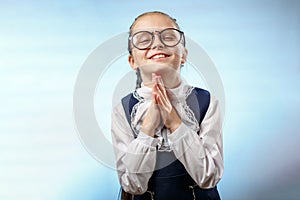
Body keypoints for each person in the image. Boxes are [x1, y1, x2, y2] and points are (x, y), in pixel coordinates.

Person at [111, 11, 223, 200]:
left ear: (184, 55)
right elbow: (132, 185)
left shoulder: (207, 102)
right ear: (132, 61)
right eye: (144, 39)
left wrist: (175, 123)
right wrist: (148, 129)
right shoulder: (123, 110)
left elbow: (208, 177)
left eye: (169, 37)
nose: (157, 44)